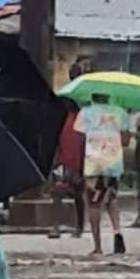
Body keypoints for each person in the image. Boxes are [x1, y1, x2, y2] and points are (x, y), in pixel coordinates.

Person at [75, 92, 130, 257]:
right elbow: (126, 141)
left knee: (93, 203)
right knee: (111, 199)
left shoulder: (85, 113)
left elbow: (80, 138)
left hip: (94, 163)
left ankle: (98, 246)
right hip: (113, 163)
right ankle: (117, 231)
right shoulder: (120, 113)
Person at [49, 97, 86, 239]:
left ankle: (80, 226)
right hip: (63, 162)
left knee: (78, 195)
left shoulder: (80, 119)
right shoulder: (62, 120)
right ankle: (56, 226)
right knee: (57, 193)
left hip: (76, 163)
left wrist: (82, 167)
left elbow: (82, 143)